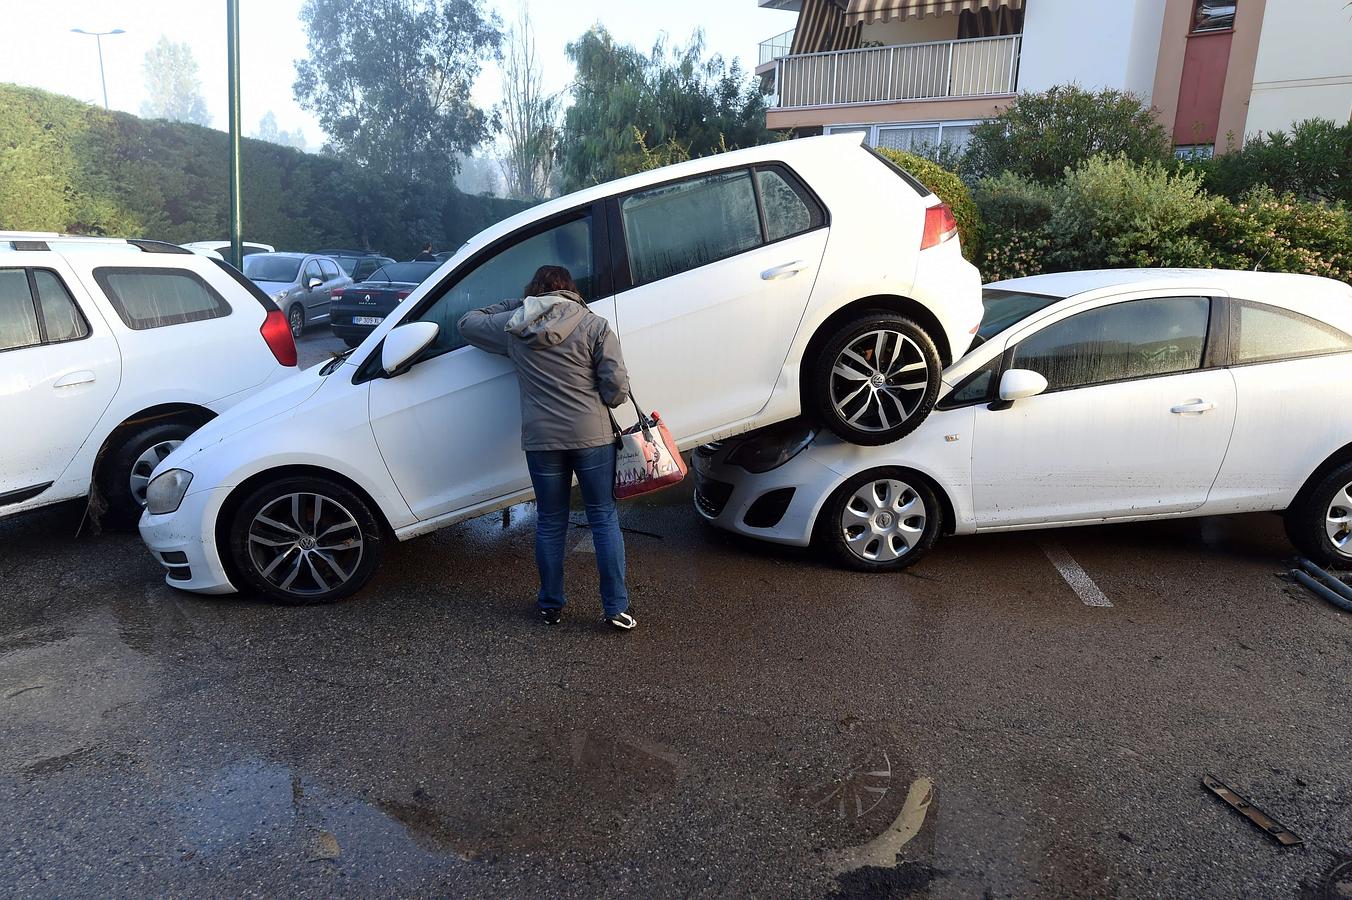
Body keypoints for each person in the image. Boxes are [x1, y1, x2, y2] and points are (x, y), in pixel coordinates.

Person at [458, 265, 637, 631]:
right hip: (593, 438)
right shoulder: (594, 324)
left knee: (551, 522)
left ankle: (551, 606)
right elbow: (617, 389)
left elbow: (467, 322)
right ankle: (615, 608)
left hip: (542, 442)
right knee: (602, 517)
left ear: (534, 291)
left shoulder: (515, 326)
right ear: (570, 290)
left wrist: (516, 303)